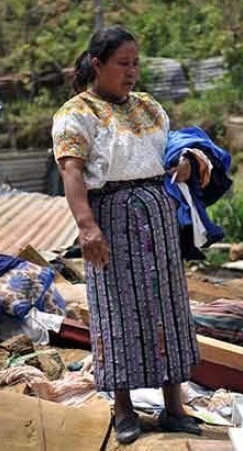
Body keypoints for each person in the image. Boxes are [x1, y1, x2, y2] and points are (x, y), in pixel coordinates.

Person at [51, 25, 201, 444]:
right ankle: (124, 410)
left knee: (168, 307)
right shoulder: (76, 113)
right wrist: (87, 226)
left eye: (135, 63)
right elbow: (72, 172)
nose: (132, 72)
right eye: (123, 64)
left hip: (157, 212)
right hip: (112, 217)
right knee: (117, 312)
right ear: (97, 64)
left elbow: (169, 152)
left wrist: (185, 163)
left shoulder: (150, 107)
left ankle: (174, 407)